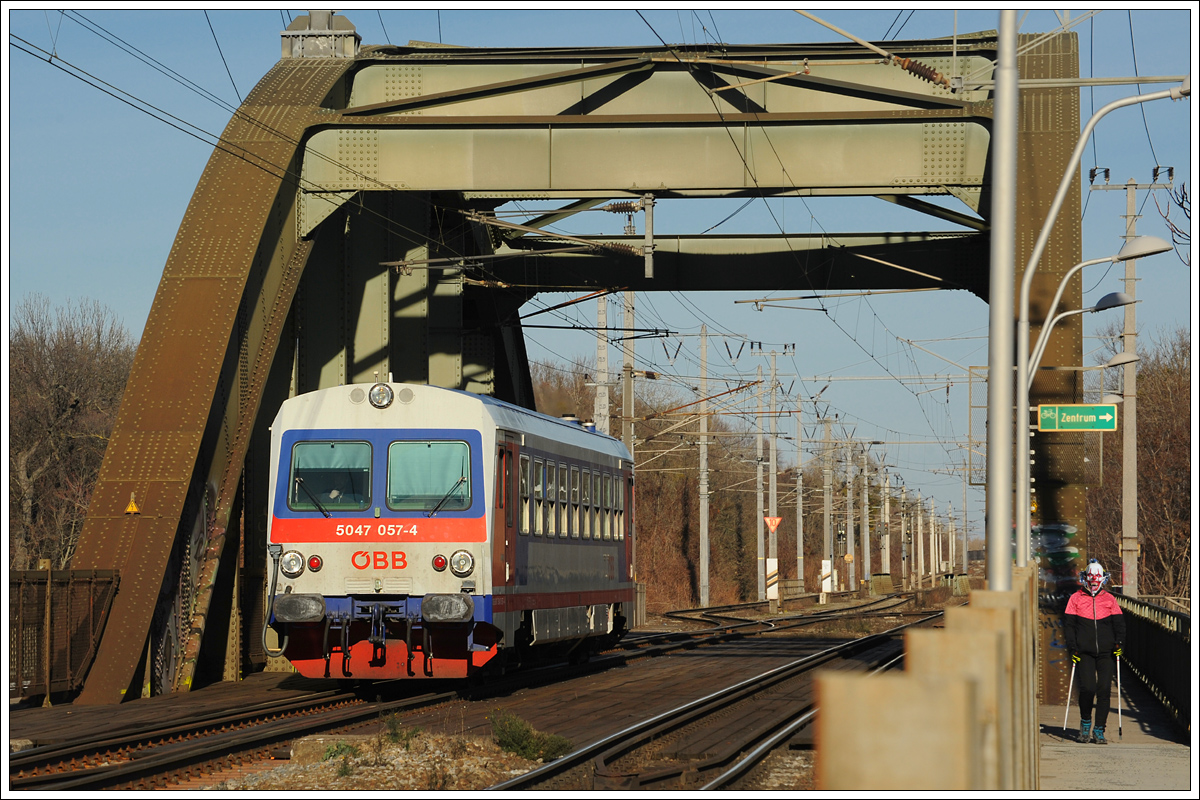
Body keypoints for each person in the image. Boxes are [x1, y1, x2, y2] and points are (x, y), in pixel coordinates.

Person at [1064, 559, 1125, 744]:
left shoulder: (1109, 599)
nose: (1093, 585)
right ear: (1085, 580)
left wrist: (1120, 644)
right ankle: (1085, 724)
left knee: (1104, 690)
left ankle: (1099, 730)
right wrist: (1072, 647)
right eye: (1091, 581)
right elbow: (1069, 625)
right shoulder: (1075, 598)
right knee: (1088, 688)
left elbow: (1119, 625)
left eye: (1097, 582)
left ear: (1103, 581)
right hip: (1084, 652)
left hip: (1106, 652)